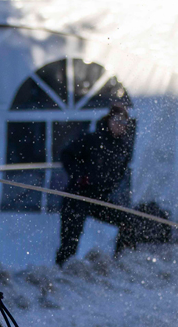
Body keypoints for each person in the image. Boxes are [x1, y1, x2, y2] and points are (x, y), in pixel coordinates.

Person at [54, 102, 136, 265]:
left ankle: (121, 262)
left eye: (123, 122)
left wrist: (110, 186)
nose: (119, 125)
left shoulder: (123, 148)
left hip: (99, 198)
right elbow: (66, 154)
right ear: (109, 120)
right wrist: (79, 176)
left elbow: (121, 172)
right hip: (77, 196)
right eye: (116, 120)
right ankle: (63, 269)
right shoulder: (92, 139)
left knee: (127, 221)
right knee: (70, 240)